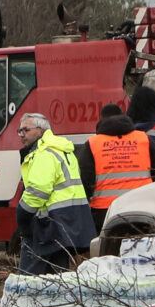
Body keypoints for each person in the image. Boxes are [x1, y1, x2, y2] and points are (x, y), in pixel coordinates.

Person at [14, 112, 94, 275]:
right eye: (20, 131)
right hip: (65, 225)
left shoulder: (44, 153)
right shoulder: (62, 150)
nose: (21, 135)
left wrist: (21, 216)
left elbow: (37, 192)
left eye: (26, 130)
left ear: (41, 130)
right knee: (57, 280)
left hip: (45, 227)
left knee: (28, 282)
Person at [85, 102, 155, 220]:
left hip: (105, 209)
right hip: (142, 204)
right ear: (123, 116)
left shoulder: (93, 143)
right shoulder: (143, 138)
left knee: (109, 238)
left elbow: (85, 178)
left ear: (102, 119)